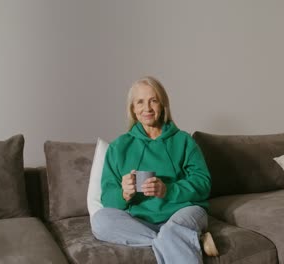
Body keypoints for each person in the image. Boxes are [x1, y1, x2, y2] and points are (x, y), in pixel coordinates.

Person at [91, 76, 218, 263]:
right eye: (140, 102)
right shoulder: (118, 147)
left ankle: (177, 235)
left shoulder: (184, 141)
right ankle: (188, 239)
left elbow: (203, 184)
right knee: (100, 220)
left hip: (182, 213)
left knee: (176, 227)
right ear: (133, 109)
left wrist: (167, 190)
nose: (147, 108)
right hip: (140, 220)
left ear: (163, 104)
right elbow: (108, 198)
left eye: (153, 100)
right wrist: (124, 194)